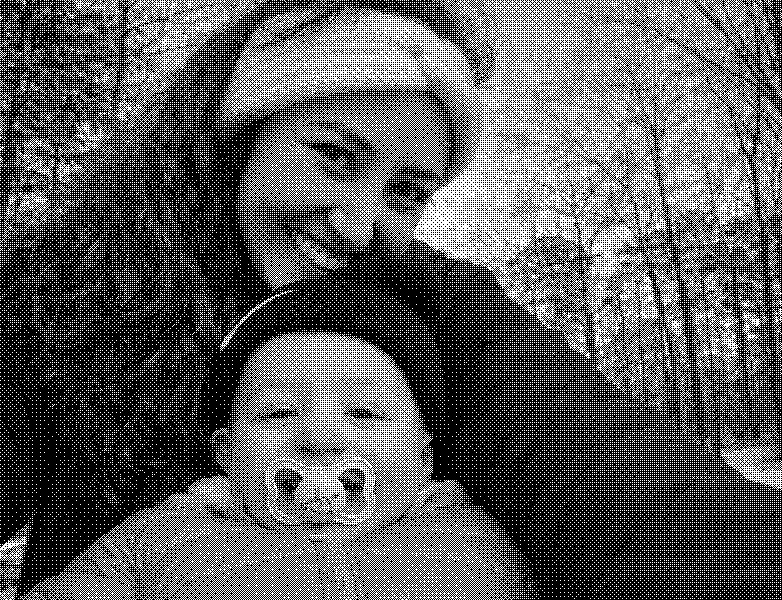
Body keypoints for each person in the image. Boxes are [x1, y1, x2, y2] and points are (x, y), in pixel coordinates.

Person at [0, 0, 779, 598]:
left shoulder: (437, 313)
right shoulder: (54, 287)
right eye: (335, 154)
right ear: (241, 135)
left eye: (406, 191)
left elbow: (617, 477)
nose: (358, 224)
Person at [17, 275, 536, 600]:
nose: (321, 434)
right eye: (279, 413)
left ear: (425, 454)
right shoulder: (161, 537)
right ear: (225, 453)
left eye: (367, 413)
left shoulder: (481, 535)